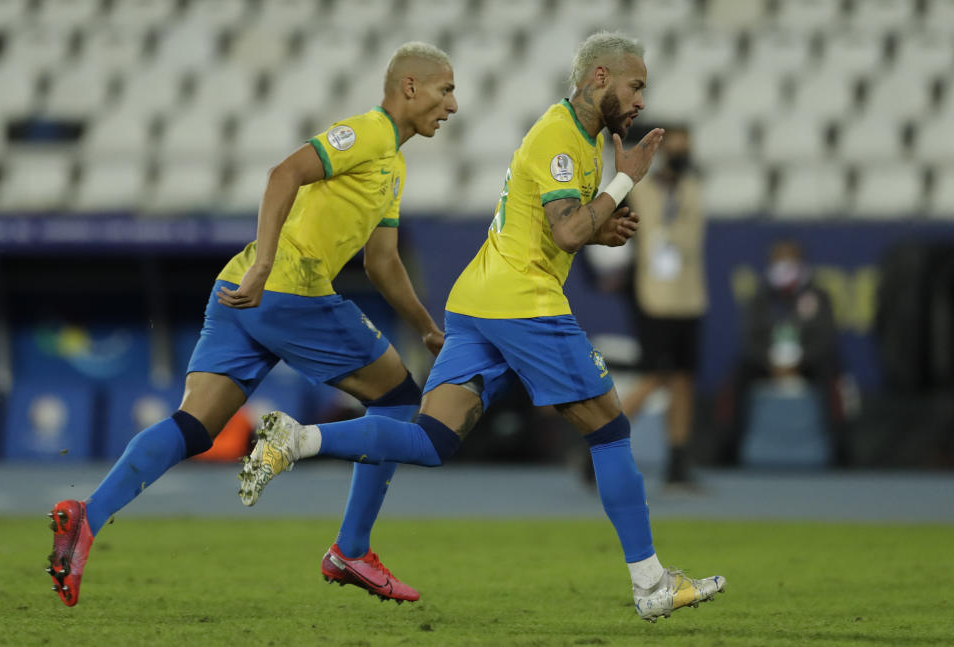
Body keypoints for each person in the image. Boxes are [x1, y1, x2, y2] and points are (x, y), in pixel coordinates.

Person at [239, 31, 725, 623]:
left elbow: (561, 225)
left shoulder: (577, 136)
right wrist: (625, 180)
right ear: (600, 78)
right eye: (636, 84)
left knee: (432, 440)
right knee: (610, 430)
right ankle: (650, 583)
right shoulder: (561, 137)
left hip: (477, 301)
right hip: (522, 301)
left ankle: (299, 440)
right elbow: (567, 234)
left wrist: (600, 225)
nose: (642, 99)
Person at [46, 41, 458, 607]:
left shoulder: (393, 164)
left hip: (236, 293)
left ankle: (86, 519)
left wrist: (428, 329)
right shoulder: (369, 133)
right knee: (396, 401)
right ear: (410, 87)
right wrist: (266, 265)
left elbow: (381, 262)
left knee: (196, 425)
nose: (453, 105)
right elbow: (283, 173)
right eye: (445, 90)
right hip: (286, 289)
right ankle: (350, 548)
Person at [620, 125, 707, 486]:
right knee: (654, 378)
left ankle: (678, 459)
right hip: (653, 296)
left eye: (685, 148)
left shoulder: (693, 188)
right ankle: (600, 445)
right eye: (675, 149)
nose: (681, 155)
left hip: (689, 296)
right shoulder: (639, 191)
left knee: (684, 380)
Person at [718, 239, 845, 466]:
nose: (785, 265)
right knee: (739, 374)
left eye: (791, 259)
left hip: (807, 363)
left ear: (802, 262)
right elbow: (749, 339)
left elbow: (826, 339)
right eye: (780, 259)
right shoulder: (759, 296)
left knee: (832, 373)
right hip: (767, 362)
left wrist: (799, 361)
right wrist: (770, 362)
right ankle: (729, 448)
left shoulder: (819, 296)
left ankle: (840, 450)